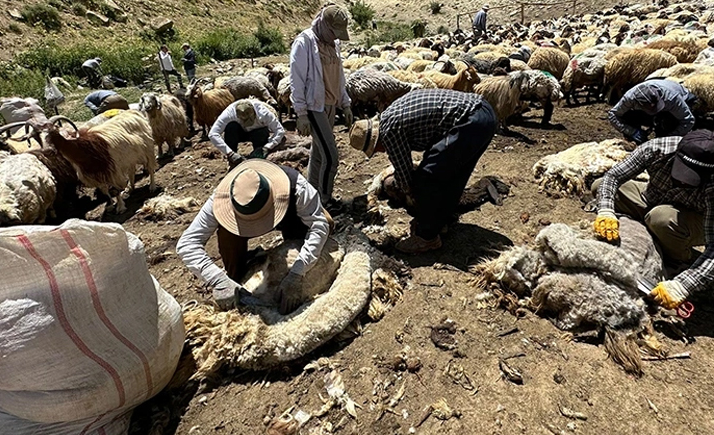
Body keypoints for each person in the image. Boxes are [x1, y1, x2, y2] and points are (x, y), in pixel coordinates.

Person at [592, 130, 714, 310]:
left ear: (713, 169)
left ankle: (678, 262)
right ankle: (641, 229)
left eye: (692, 177)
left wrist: (684, 285)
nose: (683, 181)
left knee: (661, 218)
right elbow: (613, 177)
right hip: (651, 197)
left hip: (691, 219)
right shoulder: (657, 149)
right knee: (599, 186)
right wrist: (606, 211)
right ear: (676, 153)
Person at [349, 89, 497, 254]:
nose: (380, 152)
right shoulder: (390, 115)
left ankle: (427, 238)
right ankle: (439, 222)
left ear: (376, 141)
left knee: (427, 177)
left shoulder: (388, 132)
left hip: (470, 121)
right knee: (453, 176)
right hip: (483, 116)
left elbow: (405, 176)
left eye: (375, 150)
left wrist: (415, 202)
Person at [176, 160, 331, 313]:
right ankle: (236, 279)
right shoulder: (221, 198)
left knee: (326, 223)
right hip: (238, 228)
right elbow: (187, 243)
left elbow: (318, 225)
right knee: (226, 234)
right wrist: (218, 280)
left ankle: (296, 257)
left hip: (290, 217)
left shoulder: (296, 186)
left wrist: (297, 272)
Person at [290, 5, 354, 214]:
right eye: (335, 31)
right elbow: (296, 79)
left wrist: (345, 103)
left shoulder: (333, 44)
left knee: (318, 155)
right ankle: (325, 201)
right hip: (314, 107)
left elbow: (339, 76)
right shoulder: (305, 42)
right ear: (325, 25)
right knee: (331, 156)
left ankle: (311, 198)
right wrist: (301, 114)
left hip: (330, 105)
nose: (337, 37)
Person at [608, 79, 696, 144]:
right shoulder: (629, 98)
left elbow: (688, 120)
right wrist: (631, 131)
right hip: (647, 109)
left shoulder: (672, 98)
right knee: (627, 117)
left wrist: (669, 138)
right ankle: (636, 142)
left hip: (680, 100)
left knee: (666, 124)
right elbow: (613, 115)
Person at [209, 99, 285, 168]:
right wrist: (229, 153)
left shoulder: (264, 113)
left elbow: (280, 130)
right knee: (231, 127)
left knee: (262, 131)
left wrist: (267, 147)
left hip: (257, 134)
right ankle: (233, 161)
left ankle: (259, 158)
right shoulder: (229, 113)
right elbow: (213, 134)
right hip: (240, 133)